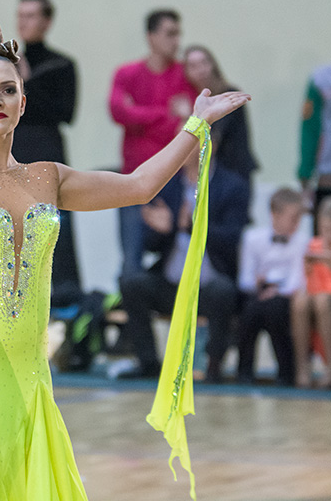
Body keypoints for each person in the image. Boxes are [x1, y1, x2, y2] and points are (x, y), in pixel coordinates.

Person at [0, 14, 249, 498]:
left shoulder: (47, 177)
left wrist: (196, 124)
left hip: (27, 376)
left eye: (7, 90)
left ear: (22, 102)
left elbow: (139, 186)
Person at [119, 146, 250, 381]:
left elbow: (232, 238)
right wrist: (162, 230)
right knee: (132, 284)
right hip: (171, 282)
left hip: (208, 285)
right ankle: (149, 364)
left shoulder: (232, 186)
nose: (182, 145)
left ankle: (213, 366)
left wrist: (191, 225)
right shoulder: (168, 185)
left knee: (223, 292)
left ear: (210, 145)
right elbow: (152, 244)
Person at [109, 9, 197, 281]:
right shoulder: (127, 73)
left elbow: (190, 123)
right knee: (131, 261)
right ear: (151, 37)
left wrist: (141, 116)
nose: (177, 40)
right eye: (170, 33)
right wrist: (165, 114)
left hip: (174, 178)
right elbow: (118, 112)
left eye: (178, 33)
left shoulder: (185, 75)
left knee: (178, 258)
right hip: (133, 179)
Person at [13, 0, 81, 305]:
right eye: (21, 15)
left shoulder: (61, 65)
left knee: (55, 230)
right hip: (13, 155)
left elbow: (65, 113)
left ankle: (67, 304)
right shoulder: (7, 66)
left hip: (46, 153)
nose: (23, 22)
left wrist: (27, 83)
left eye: (31, 15)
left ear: (47, 21)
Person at [237, 188, 307, 385]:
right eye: (292, 218)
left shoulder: (301, 241)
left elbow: (297, 278)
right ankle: (244, 372)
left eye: (299, 218)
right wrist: (259, 285)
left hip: (285, 296)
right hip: (258, 294)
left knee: (275, 311)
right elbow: (245, 278)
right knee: (250, 311)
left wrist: (278, 290)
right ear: (275, 215)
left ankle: (286, 373)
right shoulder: (253, 238)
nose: (296, 224)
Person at [184, 46, 258, 192]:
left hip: (234, 172)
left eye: (204, 62)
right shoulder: (193, 99)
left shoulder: (228, 96)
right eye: (193, 66)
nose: (200, 70)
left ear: (213, 65)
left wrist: (187, 115)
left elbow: (213, 137)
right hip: (211, 174)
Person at [292, 196, 331, 388]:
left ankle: (329, 367)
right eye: (325, 228)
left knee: (322, 301)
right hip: (316, 293)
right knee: (300, 301)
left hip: (325, 297)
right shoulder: (312, 245)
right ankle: (302, 366)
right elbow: (307, 277)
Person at [298, 63, 331, 232]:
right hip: (326, 178)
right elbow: (309, 130)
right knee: (321, 242)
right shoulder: (321, 81)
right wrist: (305, 173)